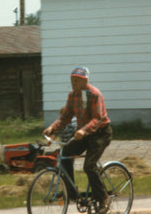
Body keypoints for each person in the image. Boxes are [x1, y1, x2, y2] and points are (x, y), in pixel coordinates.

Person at [43, 66, 112, 214]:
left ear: (85, 80)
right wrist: (52, 128)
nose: (73, 82)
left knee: (89, 166)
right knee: (65, 155)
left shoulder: (95, 94)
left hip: (101, 133)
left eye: (76, 80)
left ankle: (102, 199)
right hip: (84, 134)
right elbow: (65, 117)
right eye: (72, 79)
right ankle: (72, 194)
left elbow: (98, 118)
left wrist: (83, 130)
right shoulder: (72, 95)